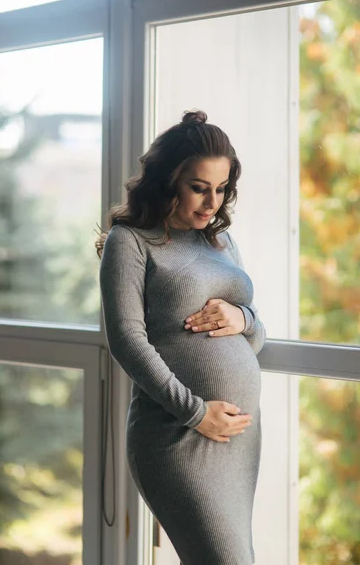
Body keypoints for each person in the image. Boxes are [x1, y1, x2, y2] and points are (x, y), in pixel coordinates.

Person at [96, 109, 266, 565]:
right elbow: (127, 341)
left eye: (222, 188)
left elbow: (255, 332)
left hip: (237, 440)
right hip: (177, 435)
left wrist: (243, 318)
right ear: (167, 180)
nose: (213, 203)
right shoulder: (130, 241)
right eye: (199, 187)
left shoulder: (220, 241)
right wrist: (195, 413)